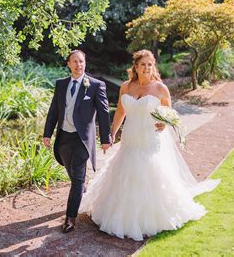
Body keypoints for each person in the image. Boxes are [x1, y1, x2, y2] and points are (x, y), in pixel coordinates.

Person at [79, 49, 220, 240]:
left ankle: (150, 216)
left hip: (148, 140)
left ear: (153, 67)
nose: (146, 68)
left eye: (150, 64)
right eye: (143, 64)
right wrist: (112, 133)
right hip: (129, 139)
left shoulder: (161, 89)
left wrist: (164, 124)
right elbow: (120, 112)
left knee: (149, 175)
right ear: (135, 66)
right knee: (124, 173)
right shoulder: (126, 87)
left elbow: (169, 116)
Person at [43, 49, 112, 233]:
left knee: (78, 178)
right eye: (74, 61)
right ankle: (82, 189)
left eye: (81, 61)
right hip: (64, 137)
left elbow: (104, 114)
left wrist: (106, 138)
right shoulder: (61, 84)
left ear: (85, 63)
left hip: (82, 139)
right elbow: (54, 111)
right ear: (68, 64)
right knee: (74, 177)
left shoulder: (96, 85)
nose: (78, 65)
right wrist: (47, 133)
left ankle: (70, 218)